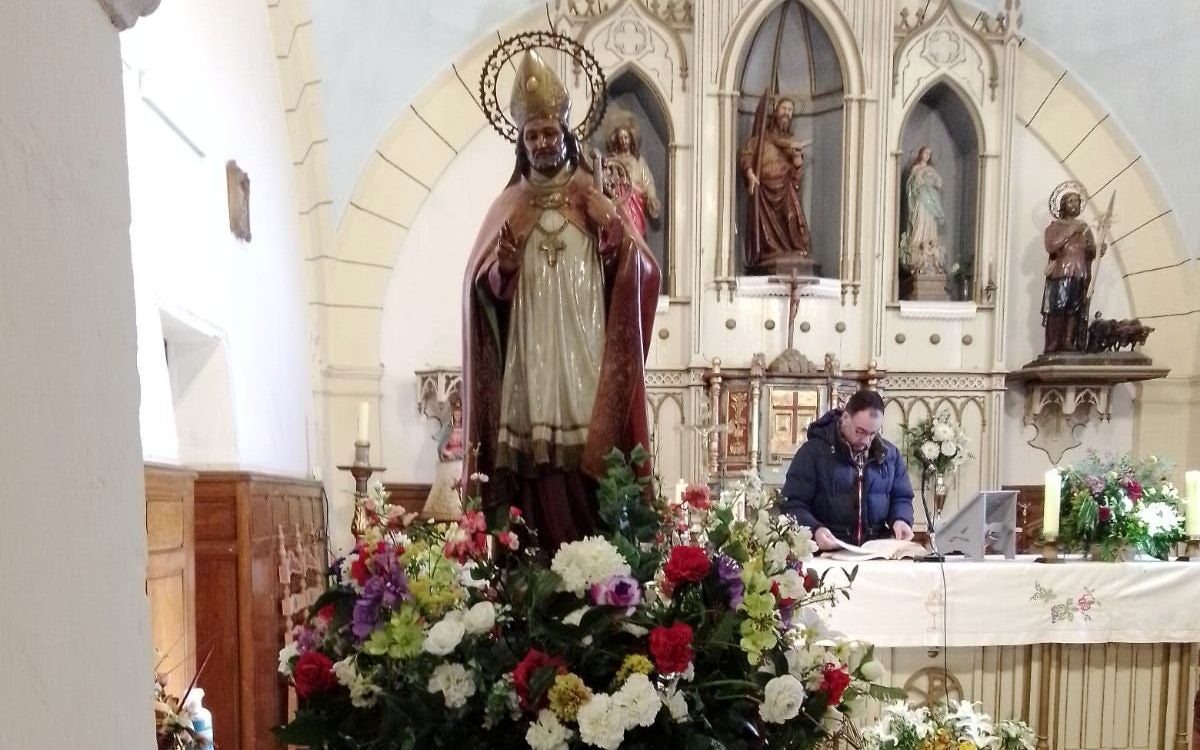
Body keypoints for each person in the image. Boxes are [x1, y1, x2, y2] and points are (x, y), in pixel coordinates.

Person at [461, 50, 661, 551]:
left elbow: (643, 271)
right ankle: (537, 562)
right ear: (521, 143)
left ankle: (597, 565)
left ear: (566, 133)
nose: (542, 143)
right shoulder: (509, 206)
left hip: (587, 352)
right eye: (532, 135)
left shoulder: (595, 194)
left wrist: (611, 226)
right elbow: (483, 292)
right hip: (530, 358)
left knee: (588, 456)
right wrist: (502, 270)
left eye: (549, 132)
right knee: (536, 462)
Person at [780, 390, 915, 551]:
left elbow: (902, 498)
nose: (866, 441)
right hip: (828, 552)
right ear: (845, 418)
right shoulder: (812, 453)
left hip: (875, 553)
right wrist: (815, 530)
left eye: (873, 434)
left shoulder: (890, 455)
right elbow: (793, 504)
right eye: (860, 431)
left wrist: (901, 520)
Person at [738, 94, 812, 274]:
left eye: (790, 110)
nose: (787, 113)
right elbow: (746, 156)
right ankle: (770, 253)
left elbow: (796, 172)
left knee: (793, 219)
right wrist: (750, 175)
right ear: (775, 111)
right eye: (784, 109)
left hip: (785, 188)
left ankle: (795, 250)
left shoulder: (792, 140)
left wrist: (797, 159)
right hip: (764, 193)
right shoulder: (761, 137)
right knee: (768, 233)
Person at [1041, 191, 1099, 354]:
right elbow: (1051, 245)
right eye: (1070, 201)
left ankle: (1068, 340)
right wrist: (1070, 231)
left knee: (1074, 308)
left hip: (1079, 272)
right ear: (1063, 206)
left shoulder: (1085, 229)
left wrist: (1095, 249)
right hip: (1061, 272)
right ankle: (1053, 342)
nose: (1074, 204)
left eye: (1077, 201)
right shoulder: (1054, 227)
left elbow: (1091, 252)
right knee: (1058, 306)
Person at [603, 121, 661, 238]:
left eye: (626, 137)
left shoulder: (638, 160)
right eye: (621, 138)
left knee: (636, 233)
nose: (624, 141)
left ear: (631, 139)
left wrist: (652, 196)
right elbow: (606, 179)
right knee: (620, 233)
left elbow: (647, 181)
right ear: (617, 141)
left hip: (635, 200)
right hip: (619, 202)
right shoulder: (613, 160)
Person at [899, 145, 946, 276]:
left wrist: (934, 180)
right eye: (925, 153)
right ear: (920, 154)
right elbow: (910, 185)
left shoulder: (931, 169)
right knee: (919, 219)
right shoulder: (916, 168)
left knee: (930, 222)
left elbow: (939, 184)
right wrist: (919, 178)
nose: (927, 155)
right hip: (920, 199)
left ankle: (929, 244)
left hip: (931, 200)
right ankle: (917, 244)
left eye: (929, 154)